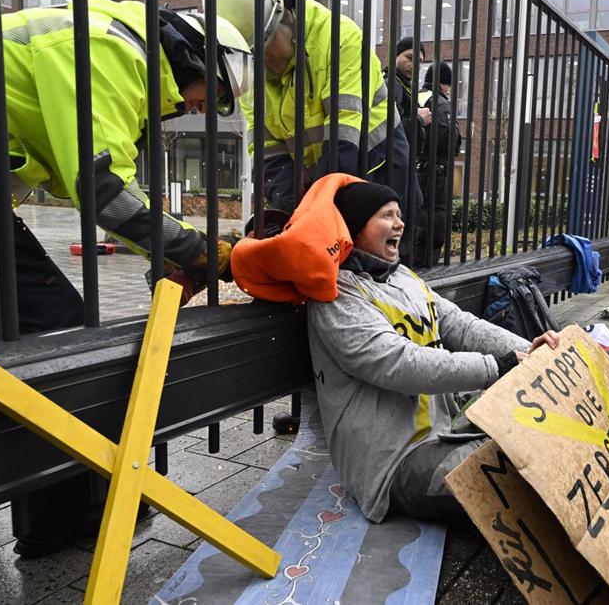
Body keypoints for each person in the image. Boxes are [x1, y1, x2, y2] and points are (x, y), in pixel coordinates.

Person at [0, 0, 250, 557]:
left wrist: (156, 256)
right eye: (208, 94)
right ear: (193, 58)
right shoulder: (112, 51)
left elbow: (94, 188)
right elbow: (104, 190)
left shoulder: (113, 43)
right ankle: (66, 517)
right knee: (55, 342)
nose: (200, 109)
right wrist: (201, 252)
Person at [232, 175, 557, 522]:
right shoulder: (337, 297)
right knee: (518, 483)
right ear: (355, 228)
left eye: (398, 213)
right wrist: (495, 367)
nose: (400, 223)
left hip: (446, 431)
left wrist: (531, 352)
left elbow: (460, 324)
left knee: (544, 445)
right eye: (386, 215)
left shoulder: (403, 277)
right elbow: (396, 363)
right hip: (394, 462)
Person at [215, 0, 412, 215]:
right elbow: (269, 157)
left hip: (382, 171)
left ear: (286, 17)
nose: (262, 59)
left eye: (265, 46)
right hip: (325, 180)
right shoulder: (254, 73)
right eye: (252, 55)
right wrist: (293, 212)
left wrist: (314, 210)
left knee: (390, 250)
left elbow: (343, 138)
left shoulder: (341, 38)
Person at [414, 61, 462, 268]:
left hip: (413, 169)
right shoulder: (441, 102)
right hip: (434, 174)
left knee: (414, 224)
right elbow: (448, 140)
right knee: (433, 227)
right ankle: (427, 276)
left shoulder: (416, 96)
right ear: (445, 84)